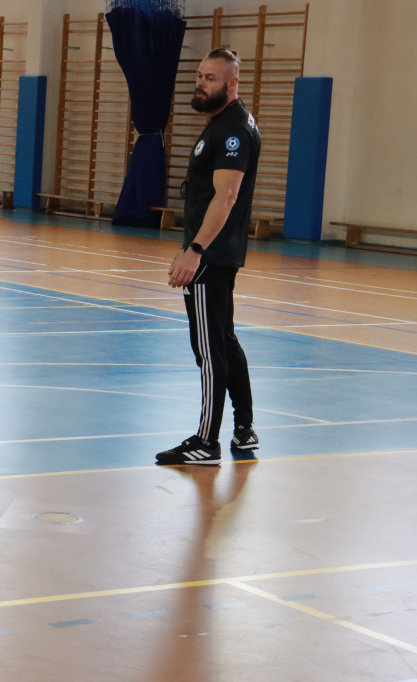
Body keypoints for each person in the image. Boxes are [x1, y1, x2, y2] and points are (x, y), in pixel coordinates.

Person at [156, 48, 261, 466]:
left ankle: (205, 442)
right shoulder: (226, 124)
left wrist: (195, 251)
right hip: (219, 253)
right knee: (225, 339)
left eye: (211, 78)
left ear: (232, 83)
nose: (201, 83)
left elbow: (228, 195)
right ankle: (244, 428)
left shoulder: (232, 130)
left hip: (210, 256)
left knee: (209, 349)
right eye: (200, 75)